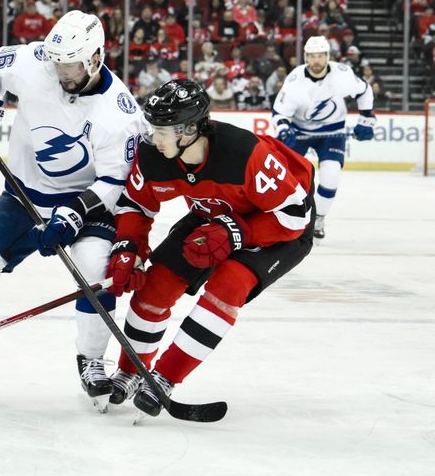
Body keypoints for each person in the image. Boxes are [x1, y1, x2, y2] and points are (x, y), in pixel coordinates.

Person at [0, 11, 147, 409]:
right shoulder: (38, 60)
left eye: (71, 66)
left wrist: (73, 214)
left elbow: (114, 183)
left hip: (87, 205)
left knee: (97, 274)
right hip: (24, 195)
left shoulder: (121, 113)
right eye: (57, 63)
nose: (62, 73)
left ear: (96, 58)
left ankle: (93, 361)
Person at [104, 79, 315, 418]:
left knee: (229, 283)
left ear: (189, 129)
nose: (153, 138)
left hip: (276, 225)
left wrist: (235, 232)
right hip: (214, 212)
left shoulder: (244, 154)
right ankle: (131, 372)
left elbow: (294, 216)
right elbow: (136, 204)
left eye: (162, 130)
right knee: (156, 284)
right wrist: (129, 245)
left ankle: (163, 378)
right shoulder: (155, 154)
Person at [271, 35, 375, 239]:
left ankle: (318, 217)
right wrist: (283, 130)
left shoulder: (342, 74)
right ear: (305, 57)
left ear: (327, 56)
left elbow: (365, 91)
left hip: (332, 133)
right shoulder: (295, 80)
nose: (316, 60)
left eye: (320, 55)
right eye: (312, 56)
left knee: (331, 176)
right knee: (286, 179)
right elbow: (279, 113)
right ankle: (283, 216)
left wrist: (366, 118)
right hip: (300, 132)